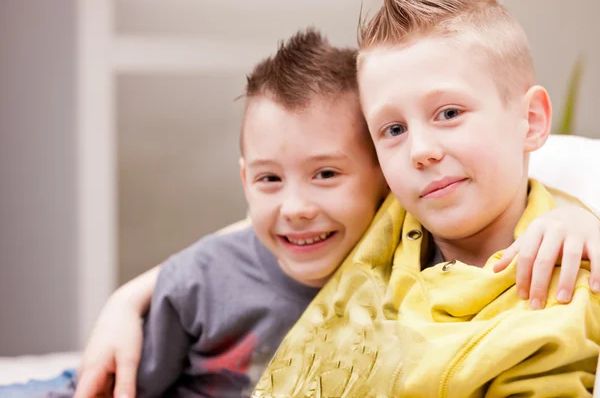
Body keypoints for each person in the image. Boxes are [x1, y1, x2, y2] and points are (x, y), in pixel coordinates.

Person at [72, 30, 600, 398]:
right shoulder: (210, 276)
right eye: (393, 130)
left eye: (326, 174)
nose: (298, 208)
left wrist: (584, 220)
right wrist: (128, 297)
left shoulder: (426, 230)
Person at [251, 0, 600, 396]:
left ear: (531, 121)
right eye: (394, 129)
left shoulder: (561, 292)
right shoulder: (390, 209)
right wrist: (169, 277)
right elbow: (284, 212)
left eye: (449, 113)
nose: (419, 150)